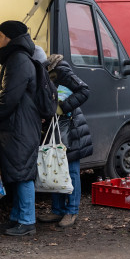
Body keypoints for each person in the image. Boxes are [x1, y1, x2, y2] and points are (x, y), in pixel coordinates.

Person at [0, 20, 43, 237]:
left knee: (23, 174)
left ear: (10, 38)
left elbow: (9, 96)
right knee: (16, 172)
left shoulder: (18, 60)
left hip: (20, 126)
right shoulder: (15, 57)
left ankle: (27, 221)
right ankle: (17, 217)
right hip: (17, 125)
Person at [38, 52, 93, 228]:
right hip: (57, 128)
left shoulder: (61, 70)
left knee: (71, 170)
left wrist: (62, 108)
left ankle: (71, 210)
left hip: (70, 129)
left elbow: (84, 90)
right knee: (55, 167)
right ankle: (58, 209)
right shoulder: (46, 72)